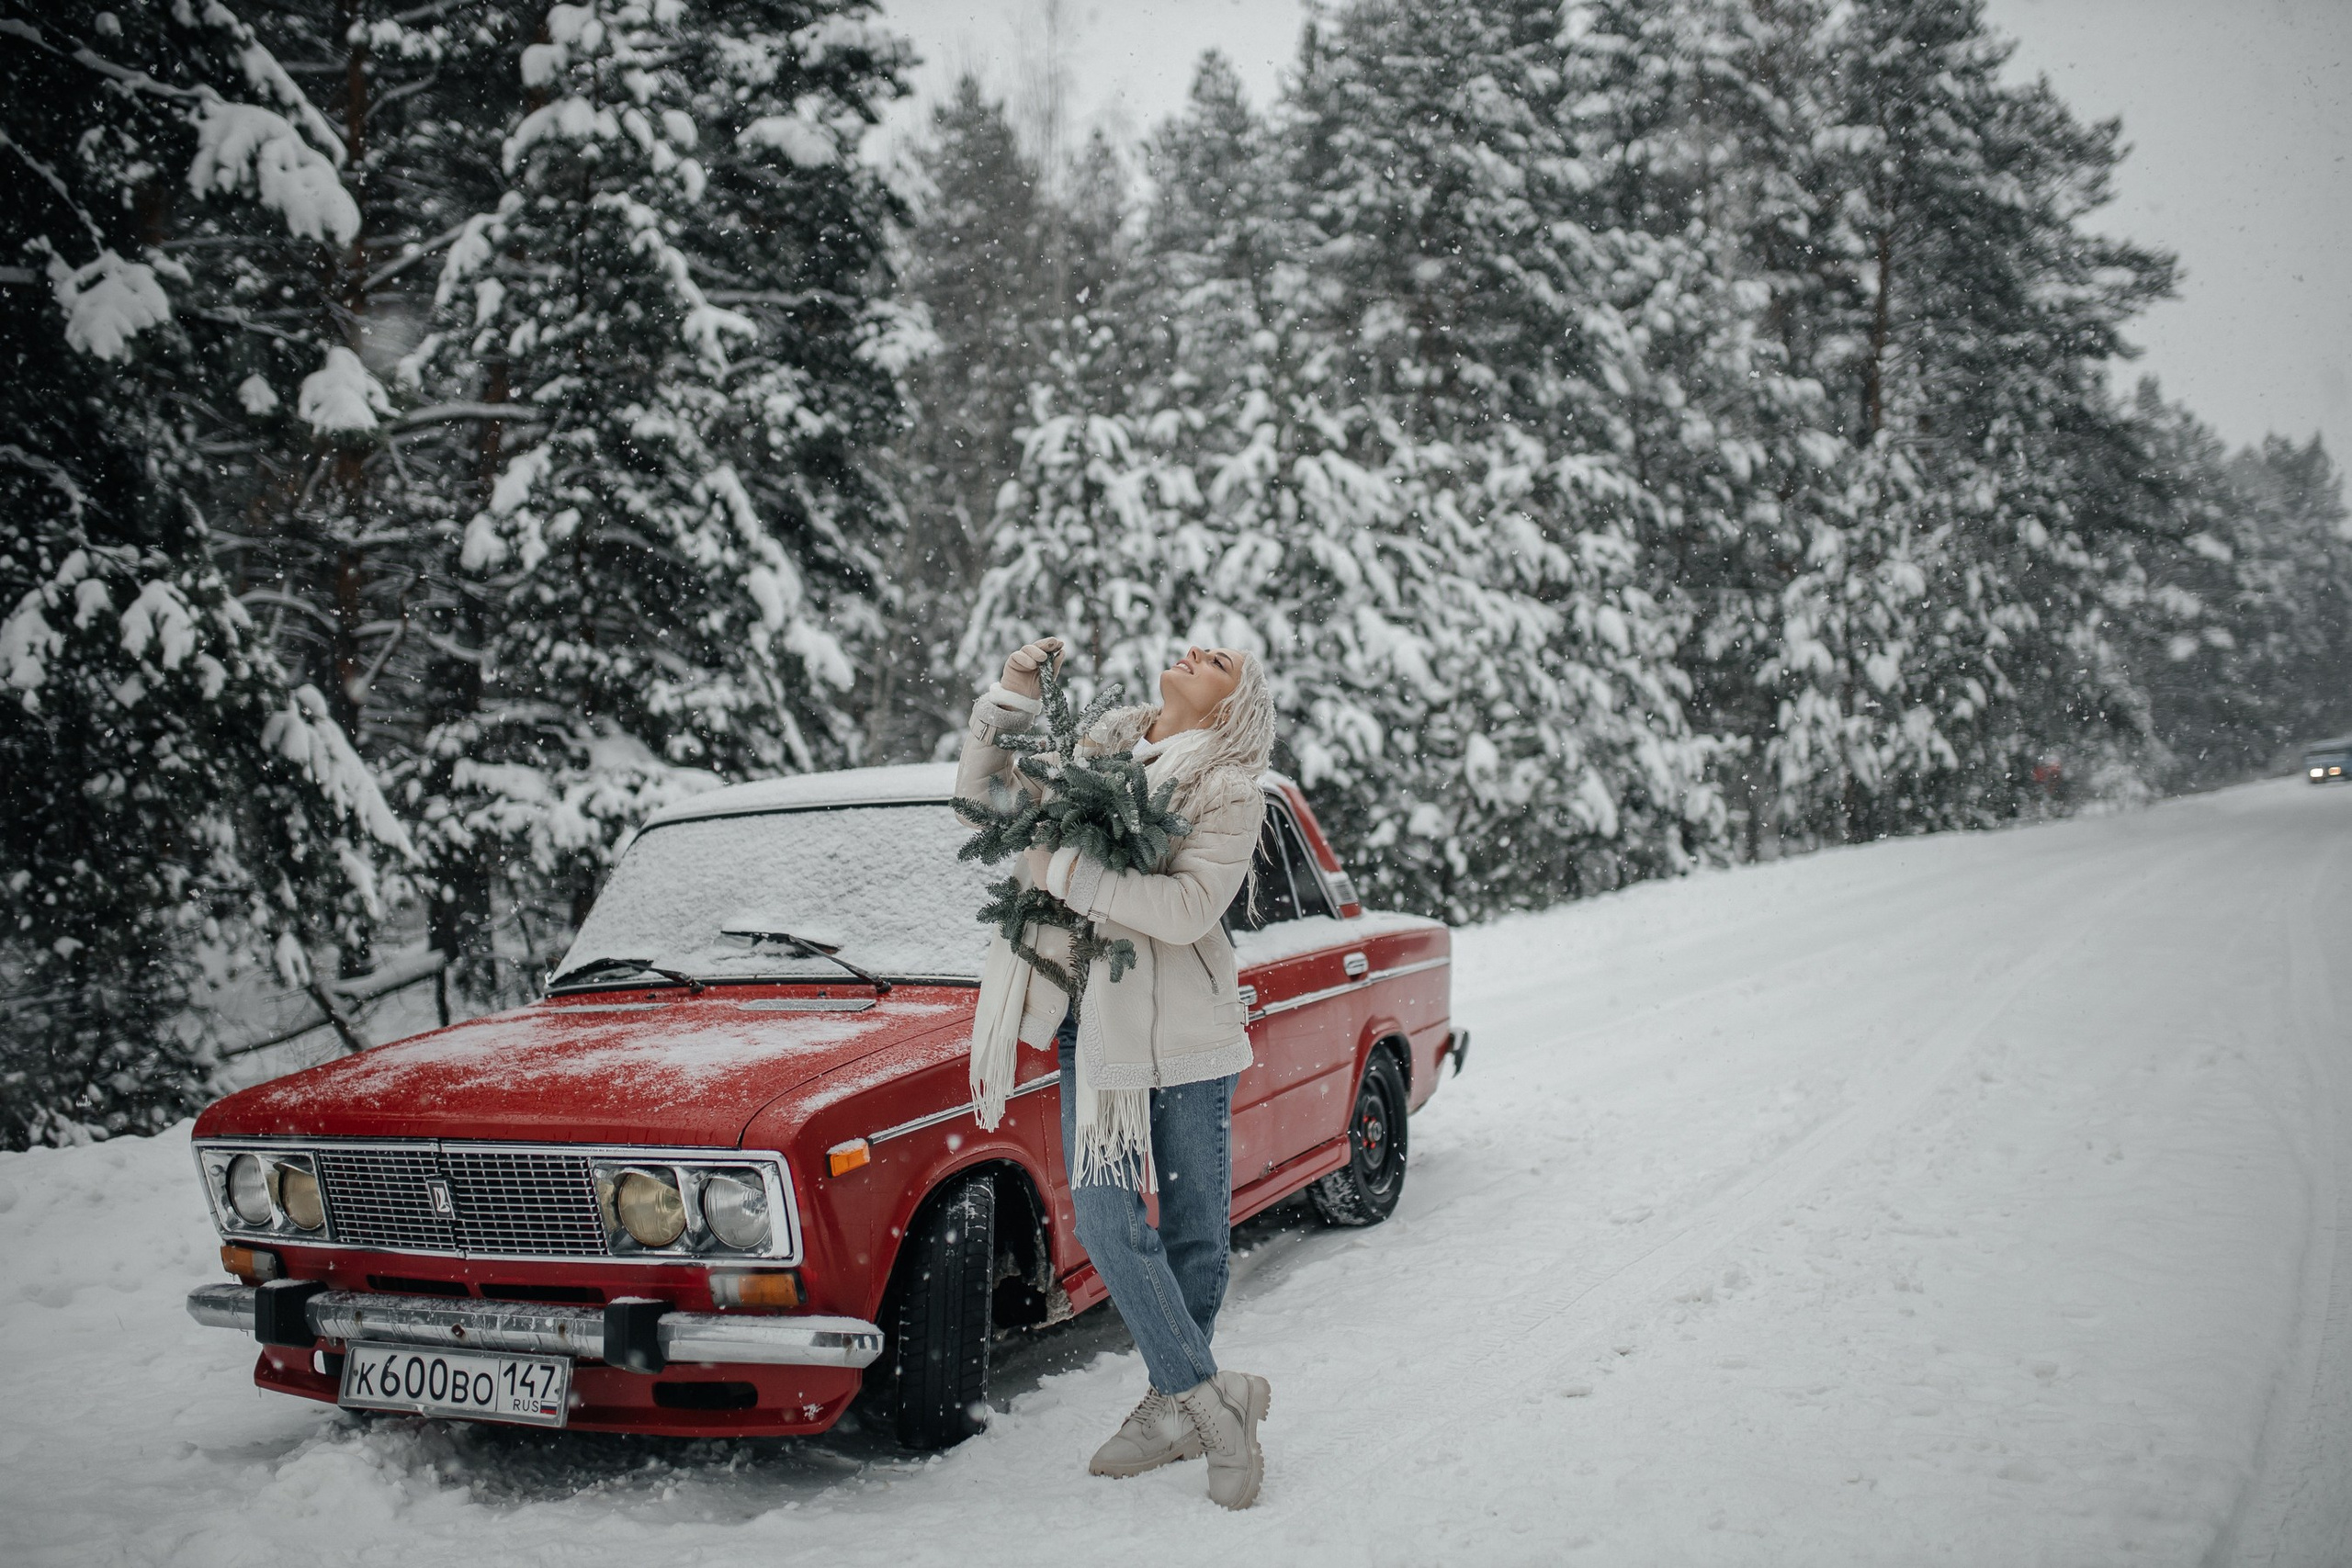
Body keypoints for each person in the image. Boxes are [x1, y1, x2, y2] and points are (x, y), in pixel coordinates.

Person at [956, 637, 1276, 1510]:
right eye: (1198, 645)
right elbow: (984, 800)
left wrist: (1066, 870)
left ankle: (1173, 1403)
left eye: (1220, 661)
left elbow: (1186, 907)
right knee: (1104, 1221)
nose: (1196, 650)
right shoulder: (1093, 750)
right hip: (1091, 1026)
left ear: (1233, 707)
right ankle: (1213, 1401)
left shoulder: (1228, 789)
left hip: (1185, 1033)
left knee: (1195, 1228)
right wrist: (1015, 694)